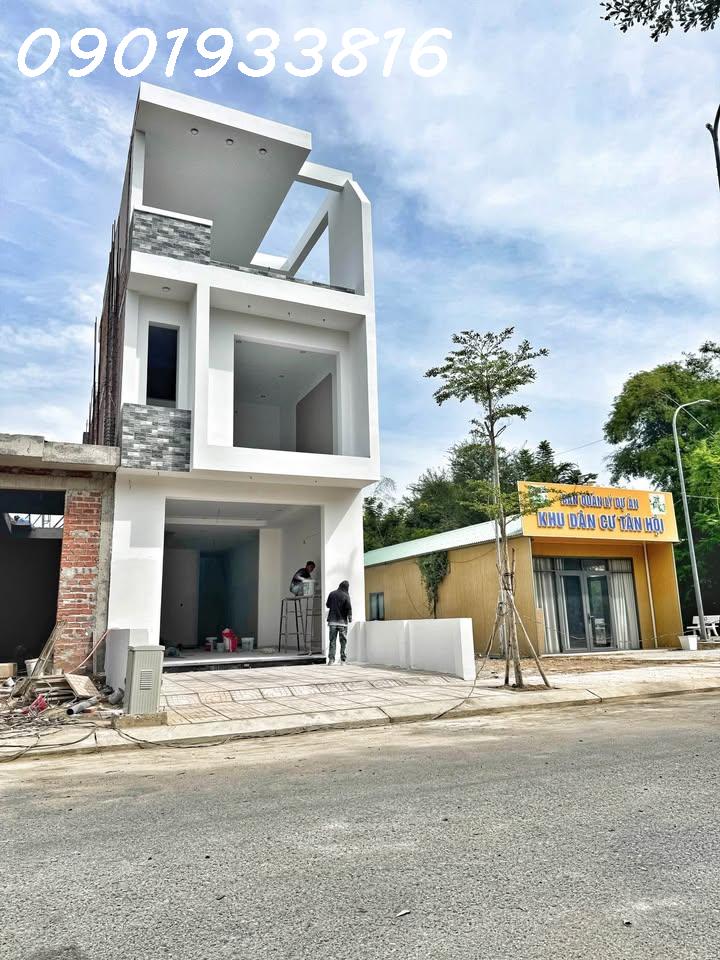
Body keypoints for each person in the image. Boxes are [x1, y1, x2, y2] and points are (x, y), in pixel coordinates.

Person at [325, 580, 352, 665]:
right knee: (343, 642)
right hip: (342, 623)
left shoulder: (332, 593)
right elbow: (349, 608)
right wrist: (350, 618)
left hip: (332, 622)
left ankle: (331, 660)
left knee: (332, 641)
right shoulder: (346, 595)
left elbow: (327, 605)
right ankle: (343, 660)